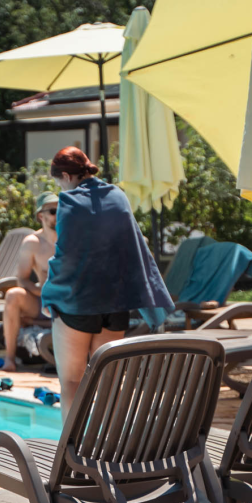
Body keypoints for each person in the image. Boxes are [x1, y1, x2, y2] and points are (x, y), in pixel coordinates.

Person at [40, 147, 172, 415]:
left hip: (78, 303)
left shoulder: (69, 202)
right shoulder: (118, 195)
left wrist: (48, 294)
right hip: (116, 302)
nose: (60, 189)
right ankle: (107, 439)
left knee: (73, 382)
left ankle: (71, 441)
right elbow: (132, 246)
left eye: (59, 183)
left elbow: (66, 257)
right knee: (108, 381)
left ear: (66, 176)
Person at [0, 192, 58, 372]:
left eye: (62, 209)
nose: (59, 214)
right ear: (41, 216)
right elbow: (22, 279)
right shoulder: (33, 243)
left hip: (67, 301)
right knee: (13, 295)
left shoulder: (72, 238)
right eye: (53, 211)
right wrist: (42, 292)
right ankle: (9, 358)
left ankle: (33, 322)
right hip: (43, 300)